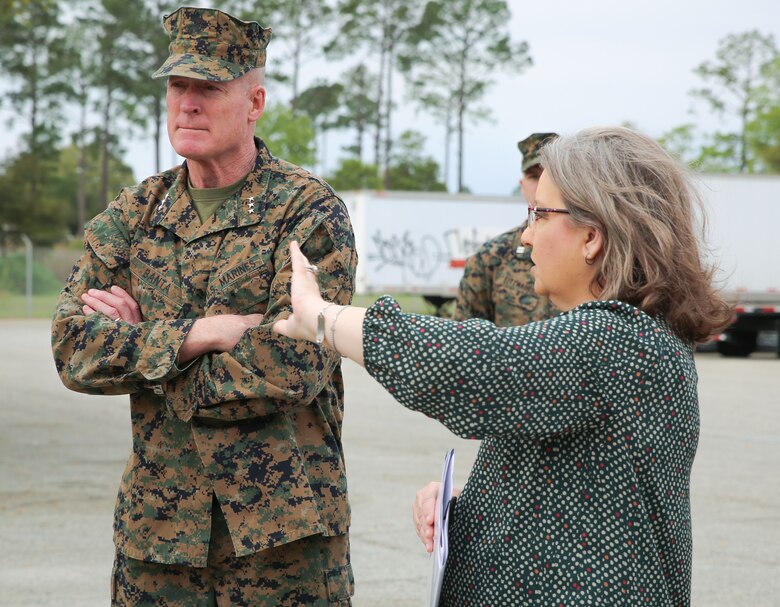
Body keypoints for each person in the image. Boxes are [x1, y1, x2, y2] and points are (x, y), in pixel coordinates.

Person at [272, 127, 733, 606]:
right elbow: (577, 492)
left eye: (540, 215)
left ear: (592, 237)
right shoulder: (627, 339)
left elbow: (469, 365)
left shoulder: (619, 341)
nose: (527, 235)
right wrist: (470, 510)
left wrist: (321, 317)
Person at [51, 7, 356, 606]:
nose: (187, 103)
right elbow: (72, 349)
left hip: (281, 547)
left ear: (254, 102)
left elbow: (293, 365)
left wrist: (150, 353)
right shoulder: (134, 215)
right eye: (177, 85)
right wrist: (199, 335)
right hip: (158, 542)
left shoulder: (308, 212)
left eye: (209, 88)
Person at [452, 132, 559, 326]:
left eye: (548, 175)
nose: (541, 184)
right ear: (522, 186)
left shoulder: (590, 253)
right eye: (533, 176)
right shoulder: (491, 257)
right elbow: (464, 340)